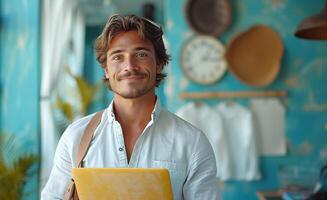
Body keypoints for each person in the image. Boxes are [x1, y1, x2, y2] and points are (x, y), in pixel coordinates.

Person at [41, 14, 221, 200]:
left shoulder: (192, 142)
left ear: (159, 64)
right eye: (118, 57)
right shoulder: (75, 137)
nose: (130, 66)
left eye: (141, 54)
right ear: (106, 69)